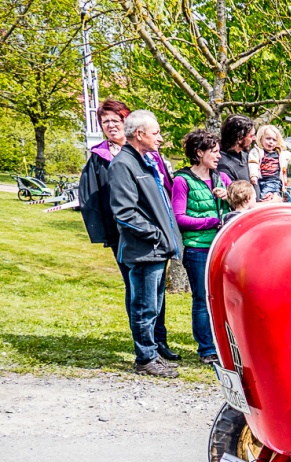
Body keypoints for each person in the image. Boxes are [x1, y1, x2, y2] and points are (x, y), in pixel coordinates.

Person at [78, 100, 176, 362]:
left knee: (154, 295)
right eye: (105, 121)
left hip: (152, 238)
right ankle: (146, 353)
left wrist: (166, 231)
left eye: (115, 120)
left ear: (127, 124)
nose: (110, 126)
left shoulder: (149, 158)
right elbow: (111, 206)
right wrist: (151, 233)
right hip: (132, 238)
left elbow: (164, 193)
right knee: (140, 295)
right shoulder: (109, 160)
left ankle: (157, 343)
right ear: (140, 133)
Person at [109, 110, 184, 378]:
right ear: (139, 134)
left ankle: (151, 353)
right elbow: (124, 212)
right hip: (144, 251)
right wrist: (155, 235)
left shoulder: (145, 162)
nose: (160, 138)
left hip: (156, 249)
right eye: (156, 133)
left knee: (153, 305)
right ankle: (145, 359)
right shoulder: (123, 165)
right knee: (144, 306)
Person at [172, 129, 231, 366]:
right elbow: (180, 218)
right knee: (202, 299)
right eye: (214, 152)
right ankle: (207, 349)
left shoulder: (222, 178)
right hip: (198, 249)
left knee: (223, 299)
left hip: (222, 247)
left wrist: (228, 197)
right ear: (199, 152)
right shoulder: (182, 181)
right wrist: (213, 222)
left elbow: (241, 203)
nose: (219, 156)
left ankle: (224, 346)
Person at [216, 114, 256, 195]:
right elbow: (237, 201)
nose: (254, 138)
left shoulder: (247, 156)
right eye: (251, 136)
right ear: (240, 138)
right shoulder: (221, 163)